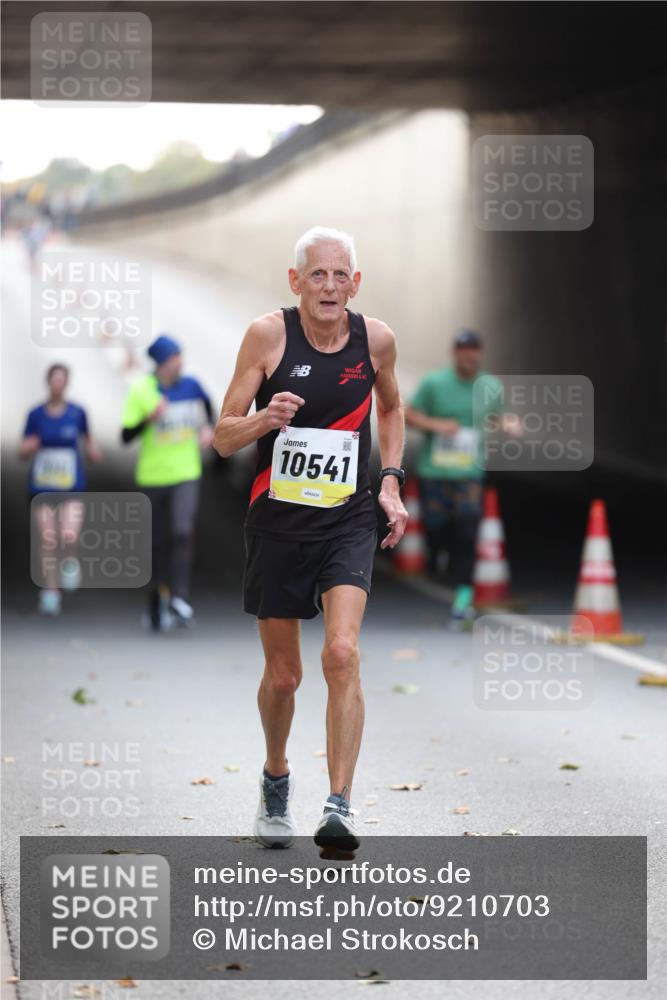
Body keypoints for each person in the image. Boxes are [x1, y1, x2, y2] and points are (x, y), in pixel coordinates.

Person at [213, 226, 408, 857]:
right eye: (316, 275)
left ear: (356, 282)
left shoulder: (375, 340)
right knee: (285, 675)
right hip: (277, 522)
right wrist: (265, 418)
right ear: (295, 281)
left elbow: (391, 409)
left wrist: (390, 483)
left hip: (348, 519)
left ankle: (339, 805)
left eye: (340, 275)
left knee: (342, 653)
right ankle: (275, 780)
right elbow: (222, 436)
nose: (329, 286)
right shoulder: (269, 336)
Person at [405, 329, 504, 620]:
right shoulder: (435, 383)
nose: (468, 354)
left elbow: (497, 416)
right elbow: (408, 415)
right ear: (454, 353)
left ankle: (464, 596)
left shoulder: (491, 386)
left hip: (469, 473)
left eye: (473, 349)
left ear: (480, 353)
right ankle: (436, 552)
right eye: (463, 349)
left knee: (467, 530)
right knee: (436, 529)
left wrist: (508, 423)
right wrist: (437, 425)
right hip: (435, 471)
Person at [121, 335, 214, 630]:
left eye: (180, 356)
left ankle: (179, 597)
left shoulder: (191, 386)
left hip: (186, 472)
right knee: (156, 542)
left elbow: (208, 404)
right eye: (174, 358)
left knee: (182, 532)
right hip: (153, 476)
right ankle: (155, 599)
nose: (180, 362)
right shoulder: (142, 390)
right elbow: (125, 436)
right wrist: (148, 419)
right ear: (161, 363)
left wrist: (208, 428)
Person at [20, 363, 102, 615]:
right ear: (48, 383)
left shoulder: (77, 413)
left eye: (61, 380)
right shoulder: (35, 415)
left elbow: (90, 445)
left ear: (66, 384)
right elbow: (21, 452)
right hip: (42, 487)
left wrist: (93, 452)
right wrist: (30, 447)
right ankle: (50, 590)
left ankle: (69, 562)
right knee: (48, 538)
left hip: (70, 485)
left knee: (68, 535)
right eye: (53, 380)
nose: (57, 385)